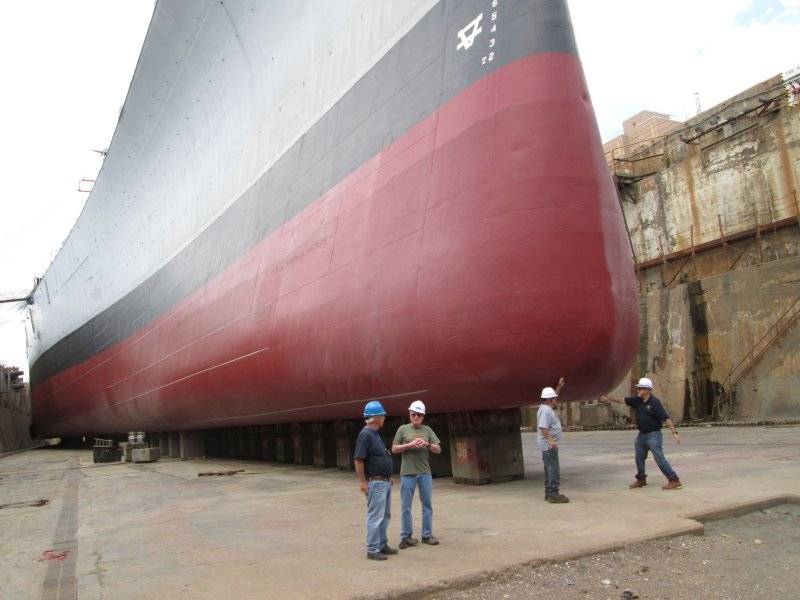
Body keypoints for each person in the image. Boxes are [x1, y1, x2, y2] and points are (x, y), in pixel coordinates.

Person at [601, 377, 683, 490]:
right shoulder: (637, 401)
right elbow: (623, 400)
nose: (638, 390)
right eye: (638, 388)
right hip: (642, 435)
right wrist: (608, 398)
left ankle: (674, 480)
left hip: (653, 435)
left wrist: (674, 432)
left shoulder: (655, 403)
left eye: (640, 388)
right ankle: (641, 479)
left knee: (659, 458)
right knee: (639, 458)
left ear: (648, 390)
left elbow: (666, 418)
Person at [391, 400, 442, 548]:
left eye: (419, 415)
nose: (416, 417)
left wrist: (426, 444)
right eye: (413, 414)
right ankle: (406, 537)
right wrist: (409, 445)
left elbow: (438, 450)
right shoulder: (402, 429)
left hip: (424, 473)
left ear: (423, 416)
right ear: (409, 414)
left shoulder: (427, 430)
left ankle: (427, 535)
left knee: (427, 504)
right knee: (405, 506)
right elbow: (394, 448)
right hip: (407, 473)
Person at [354, 400, 399, 560]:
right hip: (376, 483)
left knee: (385, 515)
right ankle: (372, 549)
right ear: (375, 417)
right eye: (382, 415)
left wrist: (387, 477)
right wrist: (363, 482)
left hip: (383, 481)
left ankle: (381, 544)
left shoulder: (374, 434)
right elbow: (359, 460)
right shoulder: (365, 435)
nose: (384, 417)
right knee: (376, 516)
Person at [537, 377, 568, 503]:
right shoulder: (545, 411)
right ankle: (553, 494)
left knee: (549, 468)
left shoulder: (545, 408)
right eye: (554, 398)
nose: (556, 400)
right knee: (553, 469)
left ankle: (549, 493)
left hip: (547, 444)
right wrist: (551, 440)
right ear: (550, 400)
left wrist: (559, 387)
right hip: (548, 445)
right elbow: (543, 427)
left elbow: (552, 398)